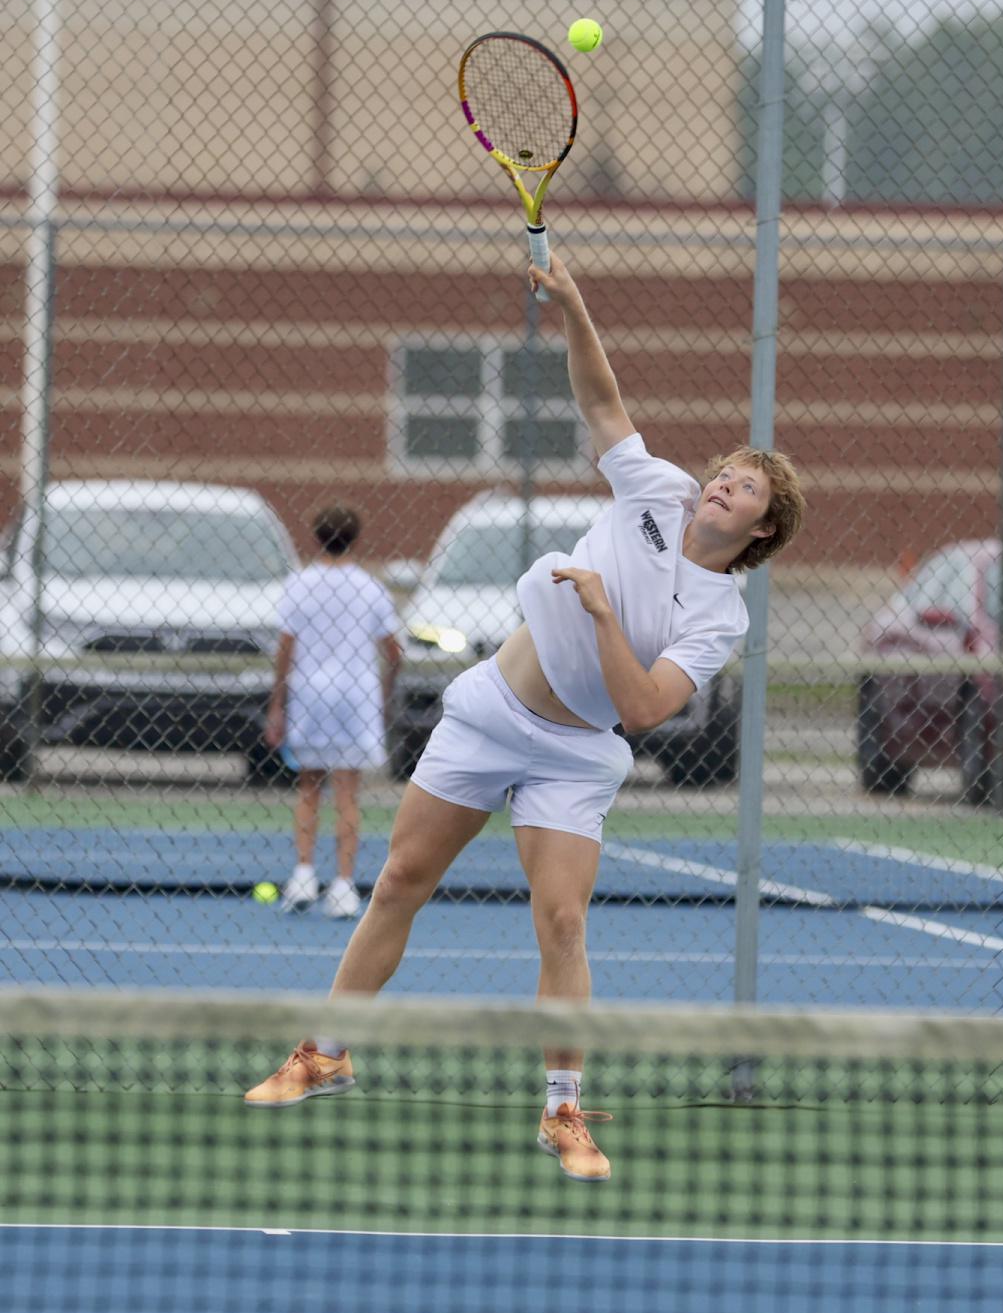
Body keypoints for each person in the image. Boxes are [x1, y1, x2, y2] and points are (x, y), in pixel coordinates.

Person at [245, 255, 806, 1183]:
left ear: (762, 529)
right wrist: (579, 305)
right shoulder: (656, 491)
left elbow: (641, 709)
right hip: (491, 711)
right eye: (727, 471)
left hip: (578, 753)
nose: (723, 483)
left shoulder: (721, 617)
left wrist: (599, 611)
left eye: (746, 488)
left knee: (561, 924)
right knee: (397, 883)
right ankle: (326, 1051)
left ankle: (562, 1113)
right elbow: (601, 401)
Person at [265, 506, 403, 919]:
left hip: (310, 694)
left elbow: (286, 647)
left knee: (308, 786)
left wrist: (278, 703)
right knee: (347, 791)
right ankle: (343, 885)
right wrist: (383, 689)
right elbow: (394, 651)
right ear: (356, 538)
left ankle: (304, 874)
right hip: (355, 695)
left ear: (315, 536)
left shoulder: (299, 585)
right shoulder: (369, 588)